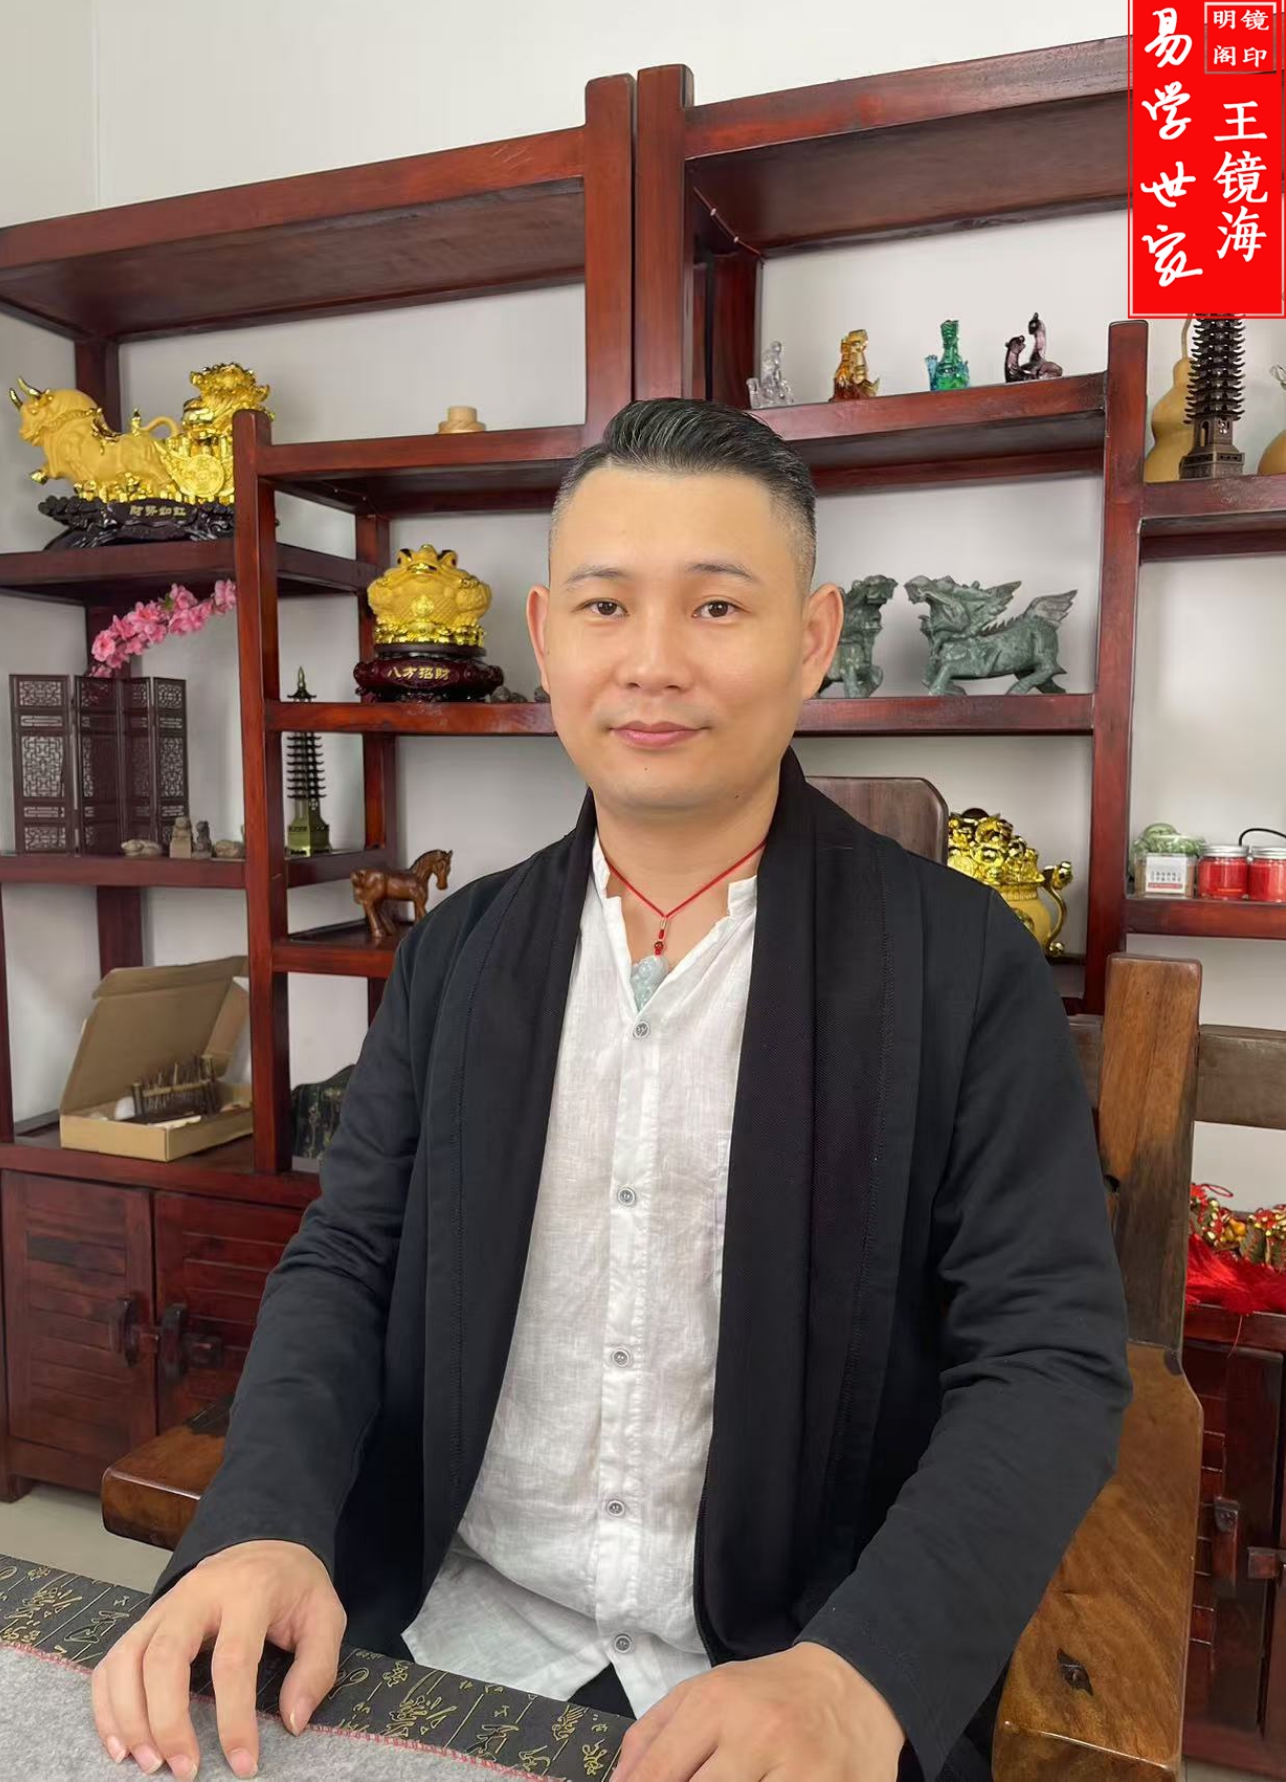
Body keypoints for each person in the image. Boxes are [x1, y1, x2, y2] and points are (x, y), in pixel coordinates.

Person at [91, 398, 1132, 1782]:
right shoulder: (458, 954)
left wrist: (862, 1673)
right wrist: (266, 1521)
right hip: (441, 1630)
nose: (651, 663)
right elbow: (347, 1261)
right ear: (545, 635)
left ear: (812, 638)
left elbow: (1048, 1357)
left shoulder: (963, 966)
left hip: (790, 1670)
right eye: (603, 606)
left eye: (717, 606)